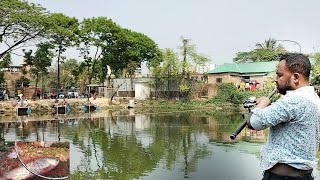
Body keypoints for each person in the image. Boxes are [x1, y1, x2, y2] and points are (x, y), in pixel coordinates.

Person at [247, 53, 319, 180]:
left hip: (282, 178)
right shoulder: (314, 98)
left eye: (280, 75)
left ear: (296, 77)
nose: (276, 79)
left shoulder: (294, 100)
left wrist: (262, 104)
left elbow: (254, 122)